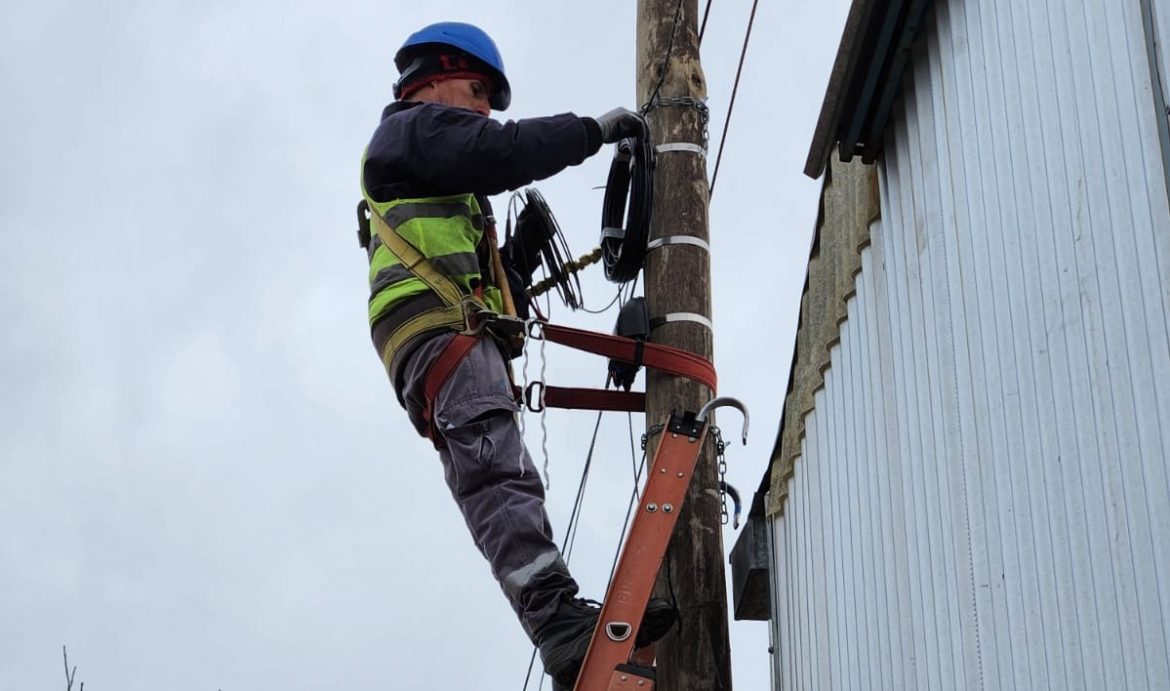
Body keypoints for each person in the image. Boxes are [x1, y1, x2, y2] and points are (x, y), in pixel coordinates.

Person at [357, 21, 675, 689]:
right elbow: (505, 149)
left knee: (493, 480)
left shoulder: (435, 178)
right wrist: (595, 130)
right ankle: (558, 619)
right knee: (500, 478)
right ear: (430, 78)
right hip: (443, 337)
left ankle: (562, 626)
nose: (480, 109)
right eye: (475, 91)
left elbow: (491, 288)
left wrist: (518, 259)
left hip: (442, 340)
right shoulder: (410, 130)